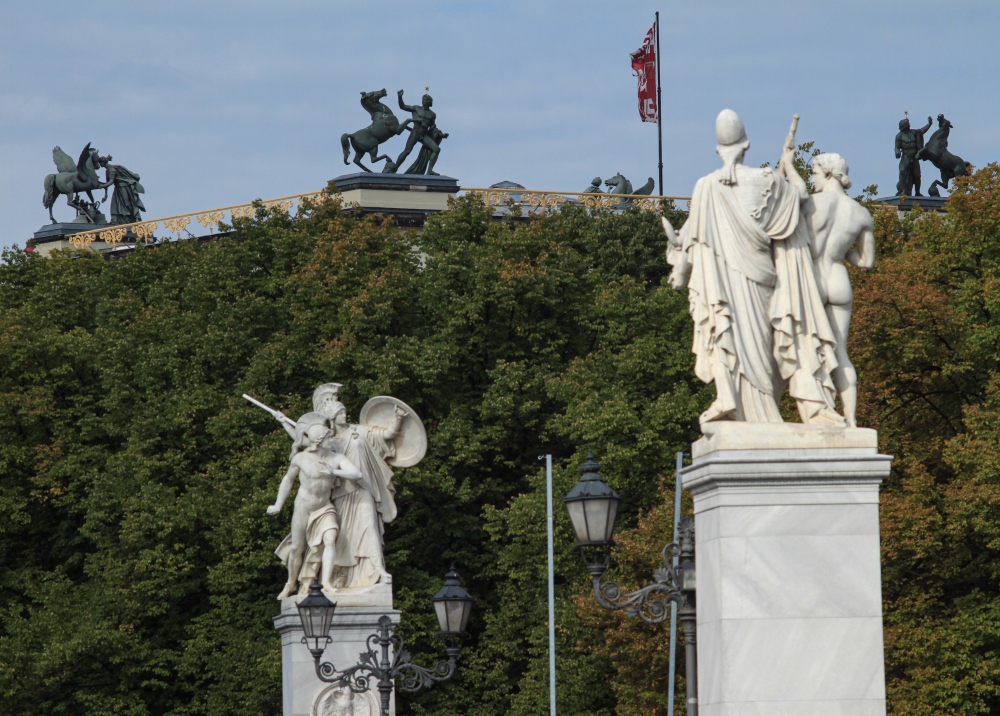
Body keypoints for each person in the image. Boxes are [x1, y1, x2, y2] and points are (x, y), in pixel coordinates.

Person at [665, 109, 841, 425]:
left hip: (722, 286)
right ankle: (755, 414)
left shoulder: (705, 187)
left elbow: (689, 239)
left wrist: (679, 270)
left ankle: (734, 403)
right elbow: (800, 196)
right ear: (746, 146)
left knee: (724, 330)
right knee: (764, 351)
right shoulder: (768, 181)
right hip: (761, 282)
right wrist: (787, 166)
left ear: (719, 150)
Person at [791, 153, 875, 427]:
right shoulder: (861, 214)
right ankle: (850, 419)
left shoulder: (811, 204)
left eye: (814, 172)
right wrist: (844, 252)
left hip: (813, 279)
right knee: (840, 353)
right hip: (839, 279)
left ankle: (822, 412)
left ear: (827, 172)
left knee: (809, 350)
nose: (812, 177)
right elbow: (867, 262)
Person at [267, 421, 362, 598]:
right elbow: (288, 480)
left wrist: (334, 472)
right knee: (297, 548)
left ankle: (326, 582)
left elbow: (357, 474)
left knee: (330, 538)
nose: (330, 439)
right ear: (318, 441)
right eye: (327, 437)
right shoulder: (301, 458)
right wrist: (278, 504)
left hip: (324, 507)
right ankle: (291, 583)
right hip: (304, 506)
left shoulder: (335, 458)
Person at [394, 91, 445, 176]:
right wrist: (400, 97)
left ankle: (430, 170)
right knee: (407, 151)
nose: (423, 101)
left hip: (424, 135)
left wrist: (441, 135)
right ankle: (395, 168)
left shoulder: (432, 114)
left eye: (424, 99)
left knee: (436, 149)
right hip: (415, 132)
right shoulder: (416, 108)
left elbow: (432, 128)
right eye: (423, 99)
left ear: (429, 101)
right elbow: (402, 106)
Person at [99, 156, 146, 224]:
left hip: (123, 187)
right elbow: (107, 183)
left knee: (127, 203)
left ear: (102, 163)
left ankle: (134, 217)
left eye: (100, 163)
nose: (100, 165)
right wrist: (105, 195)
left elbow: (111, 182)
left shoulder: (111, 170)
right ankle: (120, 220)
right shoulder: (107, 170)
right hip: (118, 188)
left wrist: (101, 185)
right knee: (115, 205)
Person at [894, 115, 932, 197]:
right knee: (902, 172)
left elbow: (922, 131)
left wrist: (929, 124)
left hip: (914, 158)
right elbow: (897, 147)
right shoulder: (899, 136)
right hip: (905, 156)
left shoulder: (914, 133)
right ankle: (904, 190)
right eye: (907, 125)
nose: (909, 126)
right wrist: (897, 153)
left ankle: (917, 192)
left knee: (917, 175)